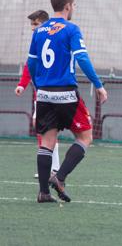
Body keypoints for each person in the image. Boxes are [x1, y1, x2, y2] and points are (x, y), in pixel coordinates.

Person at [27, 0, 108, 203]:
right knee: (85, 136)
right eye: (73, 5)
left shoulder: (39, 31)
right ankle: (60, 178)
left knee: (47, 141)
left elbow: (32, 63)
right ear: (67, 6)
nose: (73, 8)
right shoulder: (71, 29)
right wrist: (98, 85)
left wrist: (39, 86)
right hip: (66, 94)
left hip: (43, 94)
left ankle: (43, 192)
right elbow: (82, 59)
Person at [15, 10, 60, 178]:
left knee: (46, 128)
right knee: (44, 129)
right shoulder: (37, 41)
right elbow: (29, 65)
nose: (32, 28)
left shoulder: (51, 40)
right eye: (31, 25)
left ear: (44, 24)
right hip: (40, 95)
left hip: (53, 93)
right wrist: (22, 85)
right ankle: (51, 168)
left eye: (35, 24)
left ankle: (53, 168)